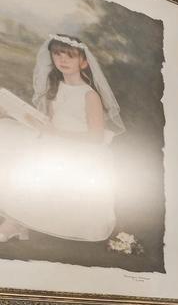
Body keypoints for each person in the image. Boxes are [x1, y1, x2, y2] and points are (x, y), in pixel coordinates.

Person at [0, 32, 127, 247]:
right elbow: (49, 121)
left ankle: (17, 221)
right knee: (10, 140)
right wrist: (25, 117)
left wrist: (54, 134)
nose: (63, 60)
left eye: (70, 56)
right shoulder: (56, 89)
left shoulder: (89, 95)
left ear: (84, 62)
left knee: (42, 164)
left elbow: (96, 137)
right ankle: (17, 220)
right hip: (53, 139)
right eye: (57, 55)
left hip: (80, 147)